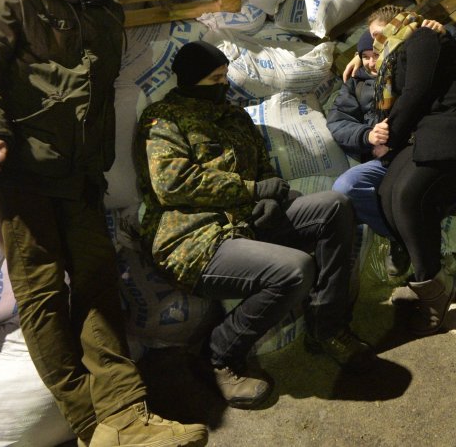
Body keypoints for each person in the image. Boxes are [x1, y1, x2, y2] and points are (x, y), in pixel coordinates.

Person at [0, 0, 207, 447]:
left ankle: (126, 416)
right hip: (11, 166)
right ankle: (91, 425)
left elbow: (98, 101)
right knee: (42, 291)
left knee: (99, 281)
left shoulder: (107, 15)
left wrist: (97, 168)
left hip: (75, 174)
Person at [134, 41, 372, 409]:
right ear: (192, 80)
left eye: (225, 76)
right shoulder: (162, 119)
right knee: (294, 271)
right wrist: (251, 190)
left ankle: (327, 327)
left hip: (245, 220)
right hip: (194, 238)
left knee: (335, 207)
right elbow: (172, 183)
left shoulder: (234, 117)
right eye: (215, 78)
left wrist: (266, 197)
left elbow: (261, 167)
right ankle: (219, 355)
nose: (223, 85)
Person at [328, 26, 456, 299]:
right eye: (365, 56)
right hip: (386, 155)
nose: (371, 61)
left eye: (376, 53)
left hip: (427, 146)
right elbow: (338, 122)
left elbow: (453, 54)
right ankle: (402, 239)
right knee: (347, 186)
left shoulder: (411, 63)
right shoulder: (356, 83)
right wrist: (366, 135)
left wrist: (446, 29)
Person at [372, 11, 456, 335]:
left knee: (408, 196)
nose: (377, 43)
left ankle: (433, 290)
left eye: (380, 34)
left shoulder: (422, 38)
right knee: (387, 192)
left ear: (398, 23)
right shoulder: (391, 58)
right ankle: (431, 271)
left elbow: (417, 92)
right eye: (372, 39)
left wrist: (388, 138)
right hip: (434, 128)